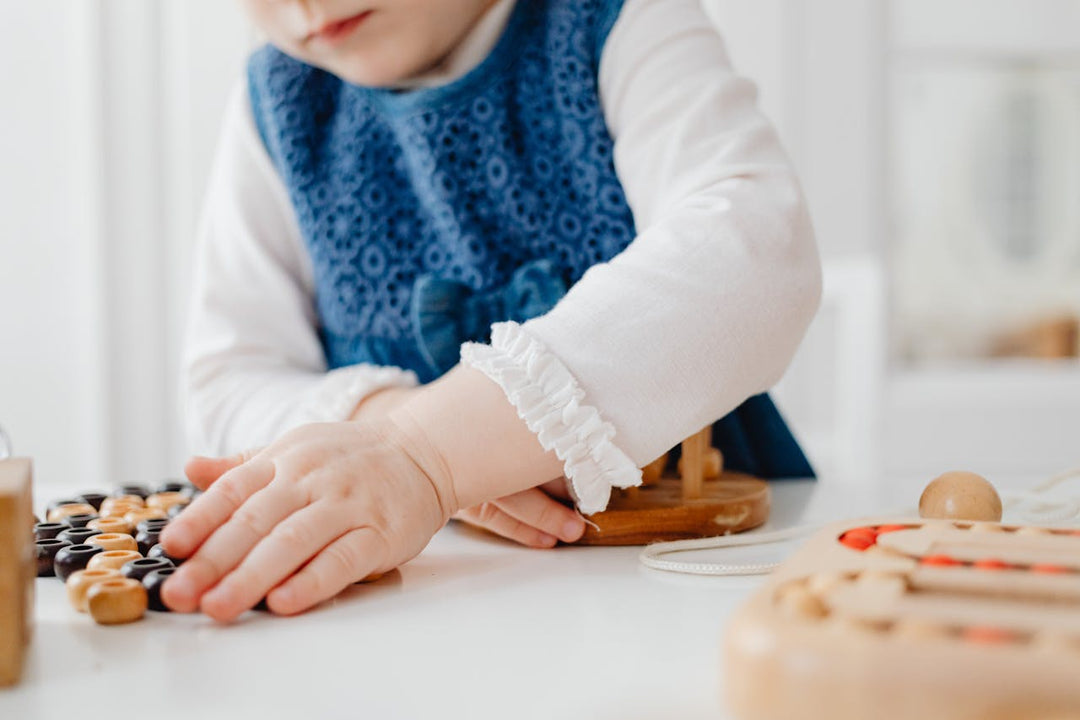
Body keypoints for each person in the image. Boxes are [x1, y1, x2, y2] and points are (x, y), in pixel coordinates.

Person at [161, 0, 822, 622]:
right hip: (425, 598)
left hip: (686, 575)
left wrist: (425, 452)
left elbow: (755, 250)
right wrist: (383, 435)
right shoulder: (279, 99)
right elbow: (228, 379)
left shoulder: (613, 19)